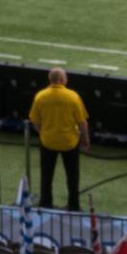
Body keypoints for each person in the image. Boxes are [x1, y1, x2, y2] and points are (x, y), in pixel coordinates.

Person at [29, 67, 90, 211]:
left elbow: (35, 122)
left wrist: (44, 132)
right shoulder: (72, 96)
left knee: (46, 175)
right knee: (72, 176)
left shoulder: (40, 96)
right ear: (62, 80)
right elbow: (82, 122)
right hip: (69, 142)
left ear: (50, 80)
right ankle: (73, 206)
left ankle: (45, 203)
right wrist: (85, 139)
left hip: (48, 141)